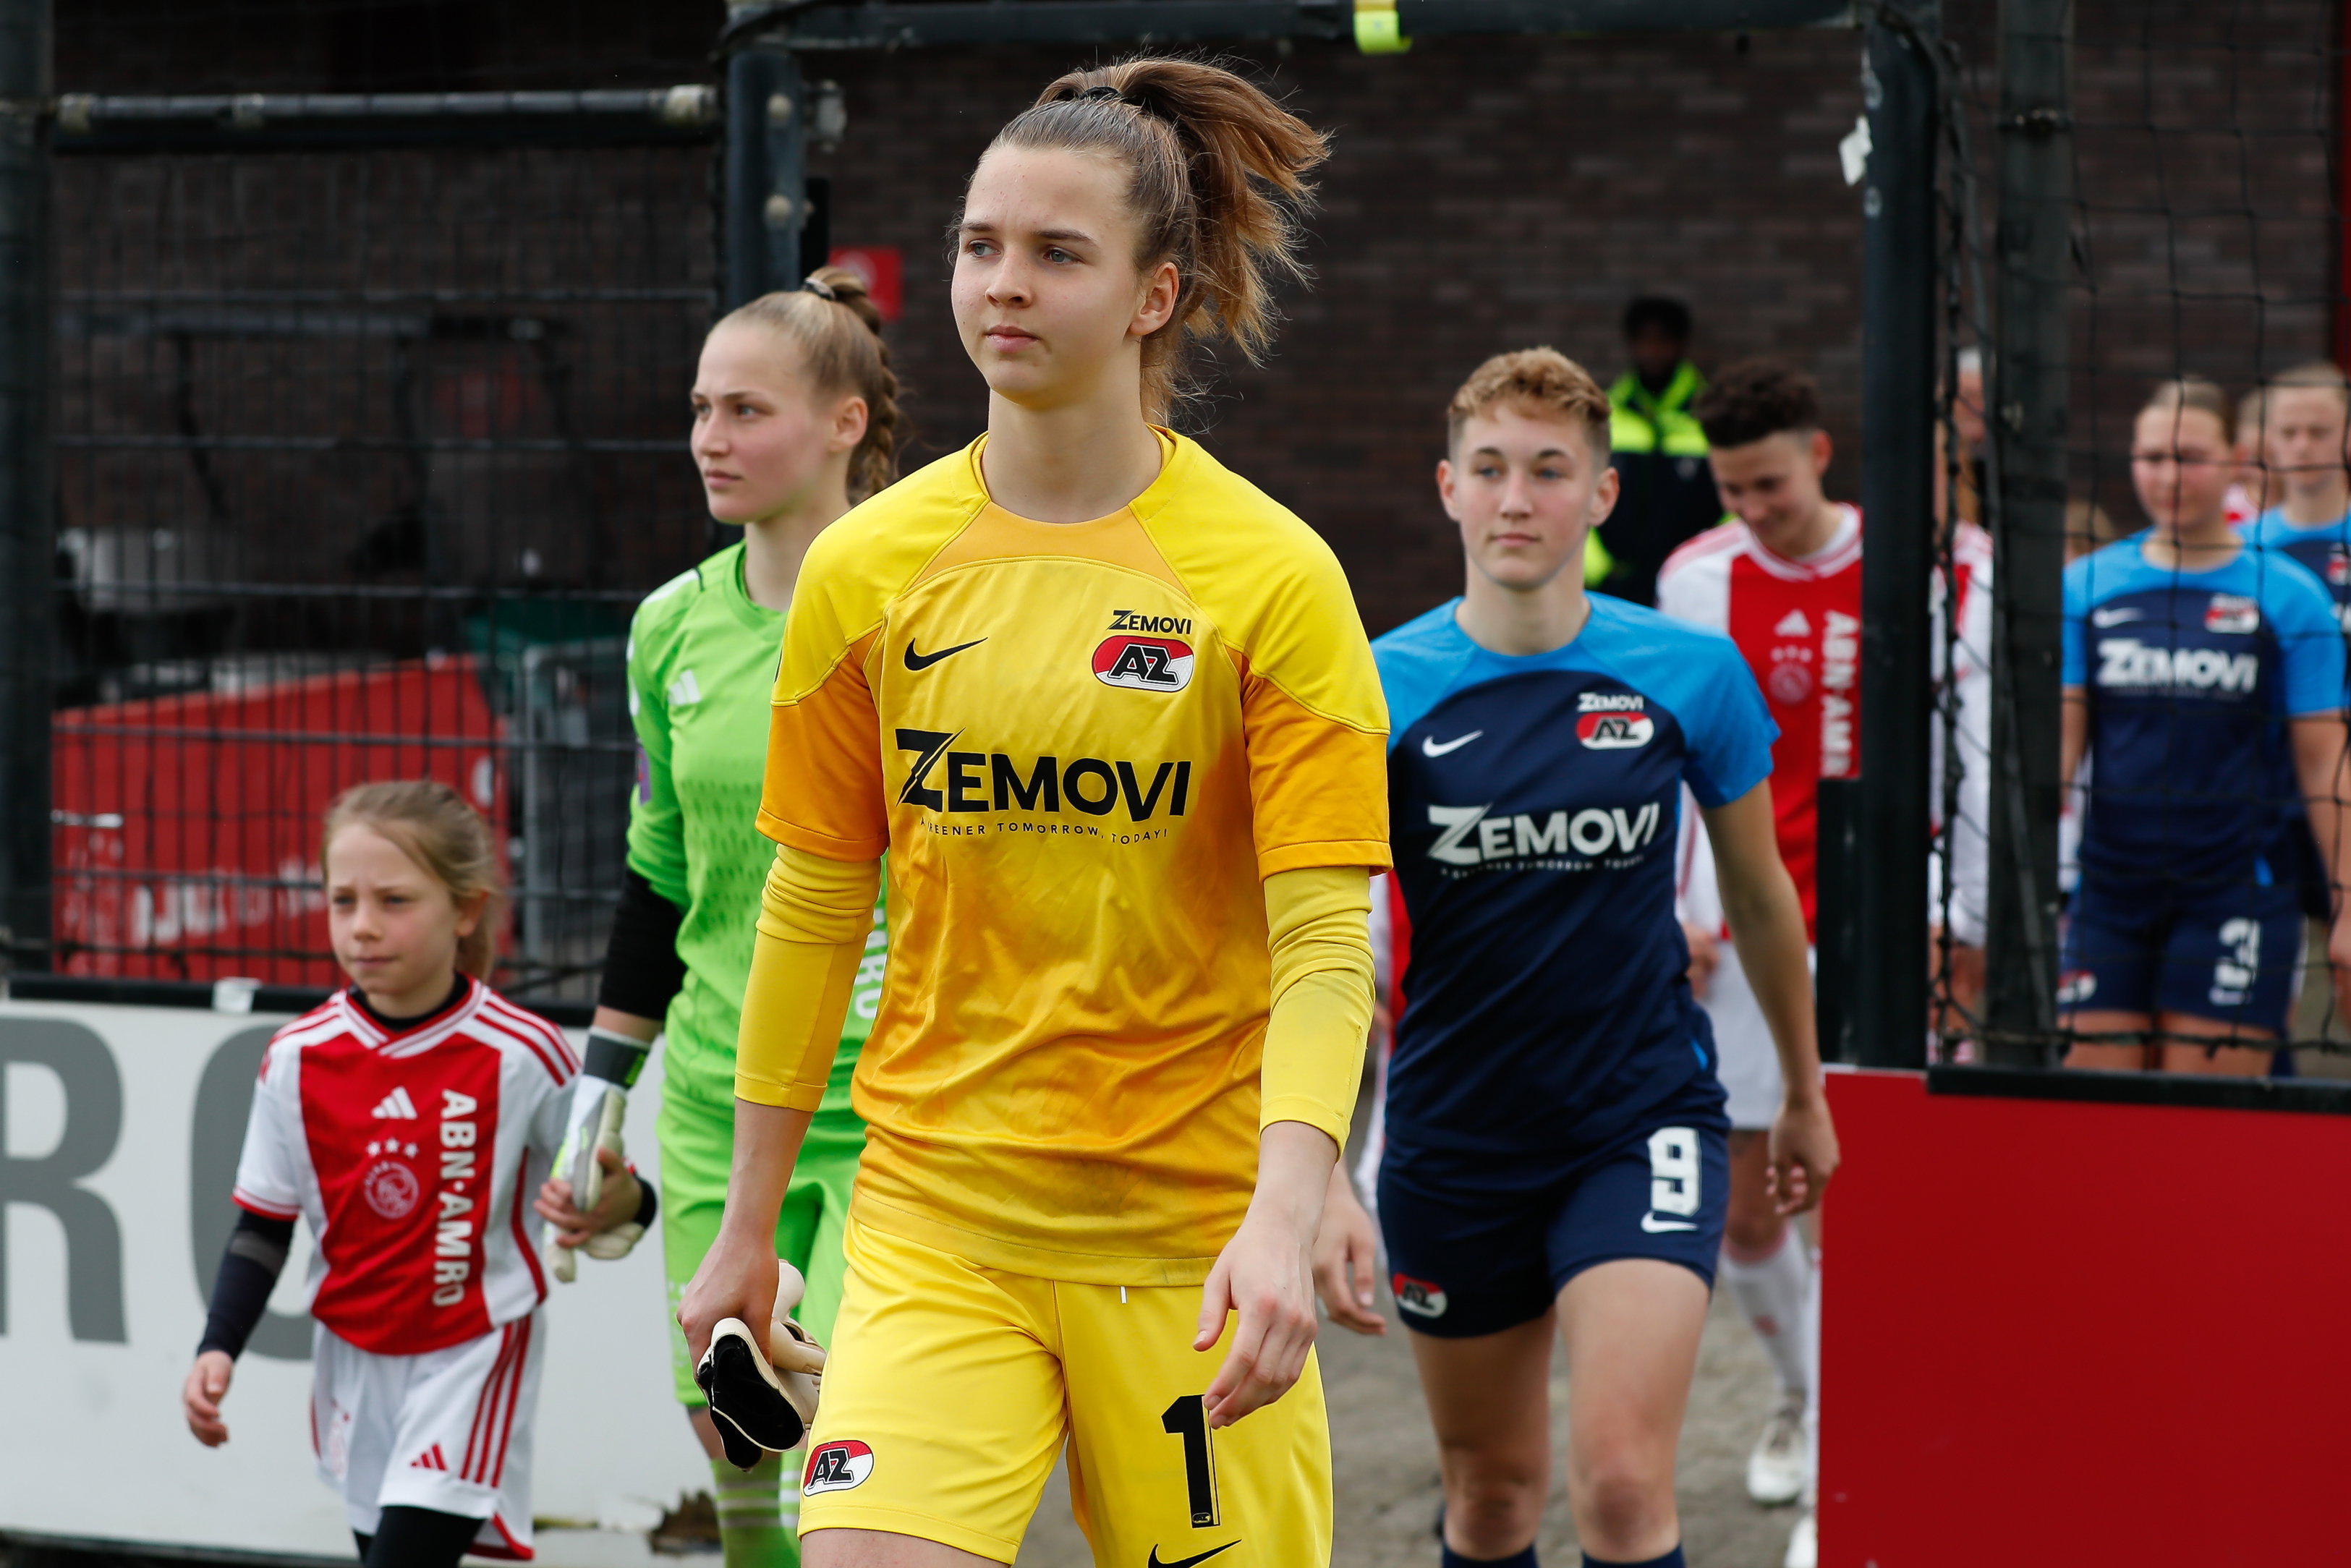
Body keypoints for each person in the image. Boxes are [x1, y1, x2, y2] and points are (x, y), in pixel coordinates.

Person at [678, 59, 1387, 1568]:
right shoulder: (867, 568)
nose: (1003, 283)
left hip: (1185, 1240)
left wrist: (1288, 1202)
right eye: (979, 244)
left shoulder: (1274, 578)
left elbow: (1329, 938)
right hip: (937, 1222)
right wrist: (750, 1220)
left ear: (1155, 297)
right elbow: (813, 904)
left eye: (1057, 253)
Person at [1314, 347, 1837, 1568]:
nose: (1516, 498)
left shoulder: (1686, 671)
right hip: (1452, 1138)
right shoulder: (1374, 688)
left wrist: (1804, 1092)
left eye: (1550, 471)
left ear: (1600, 497)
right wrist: (1321, 1164)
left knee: (1618, 1484)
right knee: (1493, 1498)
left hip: (1637, 1116)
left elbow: (1760, 899)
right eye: (1490, 468)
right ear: (1446, 487)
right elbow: (1318, 938)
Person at [579, 265, 899, 1568]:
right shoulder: (669, 627)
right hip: (715, 1089)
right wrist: (595, 1110)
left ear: (846, 423)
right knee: (735, 1434)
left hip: (887, 1098)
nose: (712, 436)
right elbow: (660, 869)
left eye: (747, 410)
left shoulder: (920, 607)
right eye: (701, 408)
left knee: (855, 1433)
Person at [180, 780, 651, 1568]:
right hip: (353, 1357)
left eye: (394, 899)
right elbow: (264, 1223)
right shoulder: (296, 1058)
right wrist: (217, 1342)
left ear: (465, 909)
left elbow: (624, 1196)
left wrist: (606, 1203)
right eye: (343, 900)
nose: (363, 926)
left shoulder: (524, 1052)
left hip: (472, 1349)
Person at [2062, 378, 2351, 1073]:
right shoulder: (2089, 585)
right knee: (2090, 1123)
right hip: (2108, 889)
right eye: (2153, 456)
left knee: (2203, 1134)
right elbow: (2059, 758)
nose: (2169, 476)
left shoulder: (2287, 594)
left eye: (2189, 456)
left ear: (2236, 460)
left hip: (2236, 890)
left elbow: (2325, 764)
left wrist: (2347, 904)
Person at [1595, 297, 1720, 606]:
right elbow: (1582, 494)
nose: (1653, 351)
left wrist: (1712, 568)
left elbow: (1732, 504)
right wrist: (1597, 570)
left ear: (1680, 344)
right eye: (1644, 340)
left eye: (1663, 340)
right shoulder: (1607, 415)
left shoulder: (1712, 416)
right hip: (1617, 588)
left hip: (1696, 586)